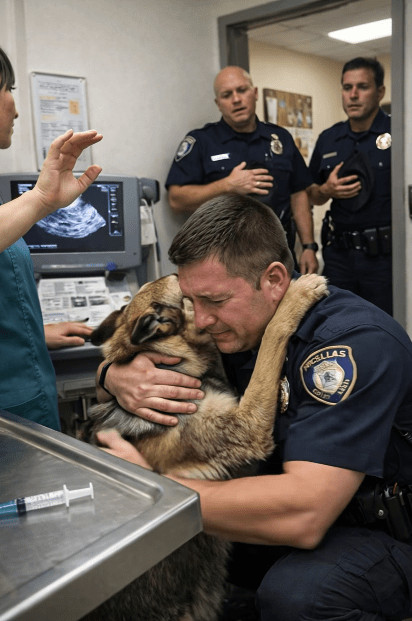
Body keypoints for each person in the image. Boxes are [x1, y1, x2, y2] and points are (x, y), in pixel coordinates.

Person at [96, 193, 412, 620]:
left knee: (299, 596)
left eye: (214, 301)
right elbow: (139, 355)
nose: (200, 320)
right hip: (308, 505)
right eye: (191, 301)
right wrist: (112, 377)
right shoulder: (237, 327)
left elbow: (305, 514)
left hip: (384, 528)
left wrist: (157, 491)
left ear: (275, 280)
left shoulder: (350, 344)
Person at [0, 47, 102, 430]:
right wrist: (41, 198)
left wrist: (33, 334)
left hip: (24, 395)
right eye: (8, 89)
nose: (15, 109)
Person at [165, 65, 318, 275]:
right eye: (227, 95)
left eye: (242, 90)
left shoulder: (280, 138)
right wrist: (227, 185)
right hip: (224, 263)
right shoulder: (202, 141)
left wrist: (309, 246)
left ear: (254, 93)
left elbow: (298, 194)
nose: (236, 99)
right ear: (218, 104)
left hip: (279, 256)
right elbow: (176, 199)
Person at [307, 57, 392, 314]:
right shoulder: (329, 138)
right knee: (337, 322)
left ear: (380, 92)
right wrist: (326, 191)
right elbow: (311, 193)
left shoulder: (399, 131)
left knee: (386, 326)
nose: (353, 95)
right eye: (347, 88)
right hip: (339, 257)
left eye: (362, 87)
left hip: (386, 259)